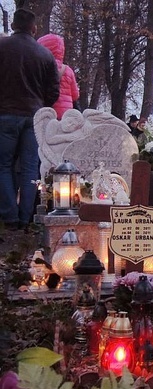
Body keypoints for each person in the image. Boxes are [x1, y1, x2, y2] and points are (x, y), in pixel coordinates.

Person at [0, 8, 59, 230]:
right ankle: (26, 217)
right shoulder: (44, 55)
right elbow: (53, 91)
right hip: (33, 117)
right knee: (30, 168)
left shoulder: (2, 48)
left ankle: (9, 216)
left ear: (14, 26)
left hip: (5, 114)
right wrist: (40, 106)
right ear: (34, 29)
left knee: (3, 165)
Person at [37, 34, 79, 120]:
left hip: (47, 113)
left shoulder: (41, 68)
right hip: (65, 115)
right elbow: (75, 96)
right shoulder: (68, 70)